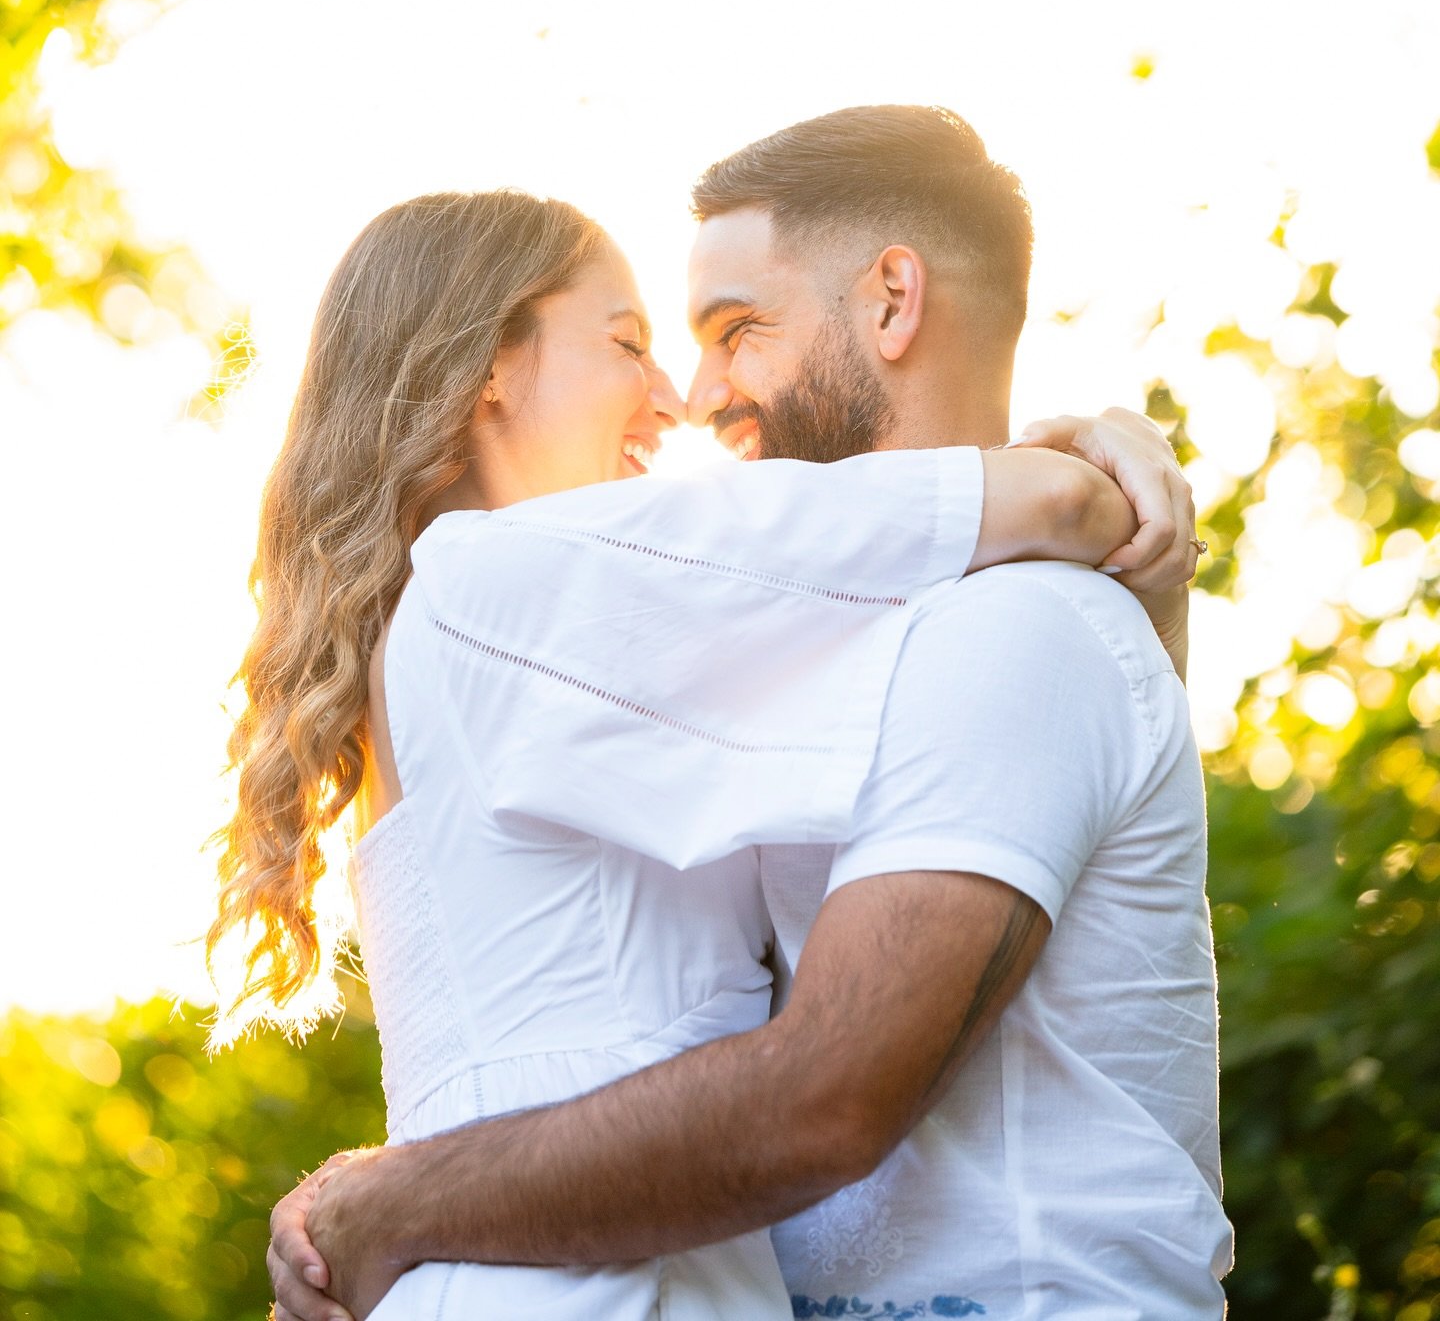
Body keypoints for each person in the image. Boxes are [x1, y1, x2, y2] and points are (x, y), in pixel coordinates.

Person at [266, 108, 1231, 1318]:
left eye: (735, 332)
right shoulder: (489, 587)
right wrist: (1067, 489)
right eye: (639, 343)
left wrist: (386, 1203)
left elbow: (833, 1081)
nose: (691, 396)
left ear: (892, 300)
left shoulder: (1015, 630)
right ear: (487, 370)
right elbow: (786, 547)